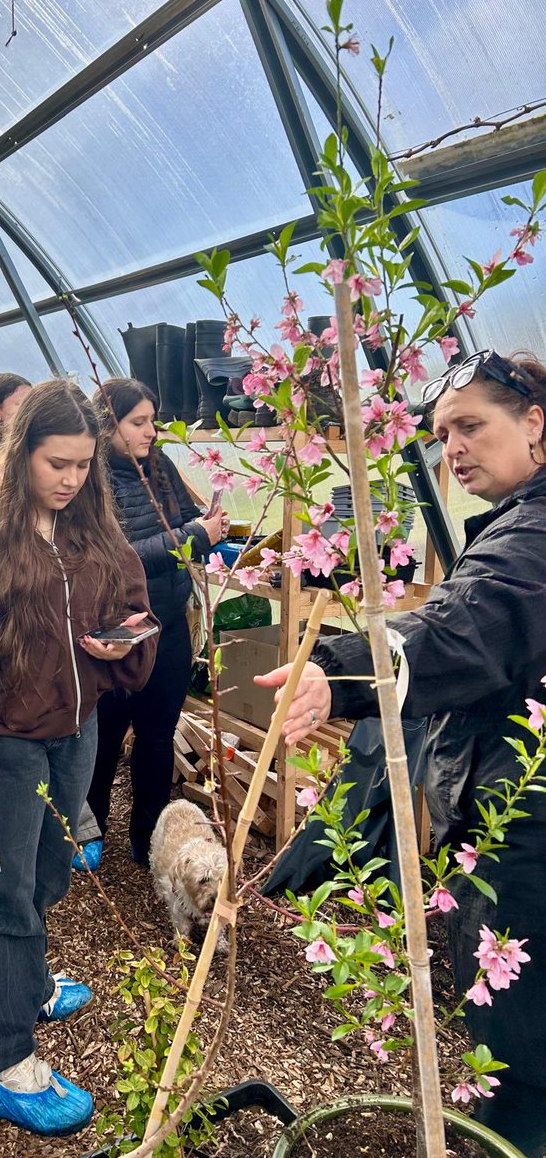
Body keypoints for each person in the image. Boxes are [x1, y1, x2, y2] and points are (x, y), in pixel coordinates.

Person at [257, 350, 546, 1157]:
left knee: (521, 1048)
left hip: (526, 829)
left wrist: (340, 670)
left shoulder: (535, 534)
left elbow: (470, 622)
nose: (453, 449)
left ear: (535, 423)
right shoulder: (520, 517)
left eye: (471, 426)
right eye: (442, 433)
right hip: (509, 805)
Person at [0, 380, 158, 1136]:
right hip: (0, 738)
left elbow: (134, 600)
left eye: (83, 464)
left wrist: (123, 643)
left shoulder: (91, 524)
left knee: (51, 869)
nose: (72, 479)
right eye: (57, 464)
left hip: (74, 729)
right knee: (1, 894)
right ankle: (1, 1061)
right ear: (21, 454)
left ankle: (27, 982)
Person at [74, 378, 226, 872]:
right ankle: (89, 830)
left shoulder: (160, 468)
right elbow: (115, 560)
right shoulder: (91, 482)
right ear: (107, 425)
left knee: (158, 736)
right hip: (115, 632)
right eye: (138, 422)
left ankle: (150, 837)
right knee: (105, 737)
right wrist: (193, 536)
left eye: (153, 421)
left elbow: (187, 522)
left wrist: (208, 528)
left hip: (168, 626)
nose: (151, 431)